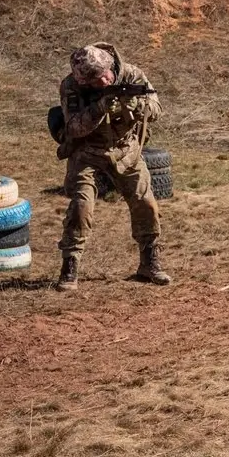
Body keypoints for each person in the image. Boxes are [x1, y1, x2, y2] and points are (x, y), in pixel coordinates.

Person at [54, 43, 169, 291]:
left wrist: (137, 107)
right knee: (81, 207)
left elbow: (157, 108)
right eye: (95, 82)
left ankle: (150, 262)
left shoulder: (131, 75)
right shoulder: (71, 86)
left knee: (146, 203)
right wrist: (99, 108)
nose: (104, 82)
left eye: (105, 75)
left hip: (126, 150)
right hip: (87, 153)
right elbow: (73, 128)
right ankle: (69, 268)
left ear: (110, 65)